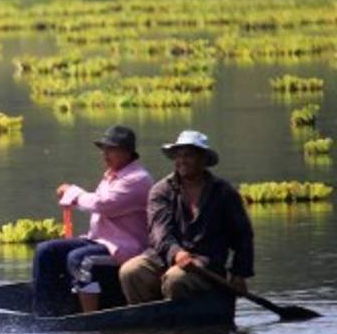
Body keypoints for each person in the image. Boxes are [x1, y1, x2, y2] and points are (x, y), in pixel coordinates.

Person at [118, 130, 254, 304]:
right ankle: (149, 322)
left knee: (176, 279)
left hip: (207, 263)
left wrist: (239, 274)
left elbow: (243, 236)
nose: (182, 161)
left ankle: (185, 325)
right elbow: (159, 233)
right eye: (179, 156)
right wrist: (177, 252)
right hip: (162, 258)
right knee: (130, 271)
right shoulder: (162, 191)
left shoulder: (224, 192)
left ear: (203, 160)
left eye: (189, 155)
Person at [32, 125, 153, 316]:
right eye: (104, 149)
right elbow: (96, 203)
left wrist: (73, 193)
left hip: (125, 249)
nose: (105, 154)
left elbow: (104, 204)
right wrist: (75, 197)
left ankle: (89, 318)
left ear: (127, 152)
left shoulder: (137, 179)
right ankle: (46, 314)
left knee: (81, 259)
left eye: (111, 149)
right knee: (46, 251)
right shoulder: (111, 176)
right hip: (99, 241)